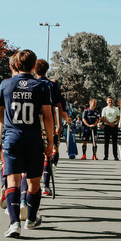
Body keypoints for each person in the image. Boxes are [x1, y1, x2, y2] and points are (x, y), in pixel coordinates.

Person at [0, 49, 54, 236]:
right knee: (33, 182)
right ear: (34, 66)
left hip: (12, 138)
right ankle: (31, 219)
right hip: (33, 138)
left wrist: (6, 129)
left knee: (13, 180)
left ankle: (13, 224)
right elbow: (48, 116)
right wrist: (50, 142)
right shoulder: (41, 86)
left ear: (16, 65)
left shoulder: (6, 84)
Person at [34, 58, 69, 195]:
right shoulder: (52, 85)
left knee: (37, 154)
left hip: (35, 124)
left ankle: (34, 186)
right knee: (51, 151)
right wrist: (59, 124)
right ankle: (46, 185)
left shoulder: (33, 84)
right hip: (51, 123)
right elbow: (59, 106)